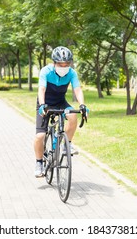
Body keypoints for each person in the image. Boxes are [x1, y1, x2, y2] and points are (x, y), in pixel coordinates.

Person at [34, 46, 88, 178]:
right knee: (40, 136)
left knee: (73, 115)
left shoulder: (72, 73)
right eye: (60, 64)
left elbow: (77, 89)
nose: (63, 66)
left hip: (60, 102)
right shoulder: (46, 71)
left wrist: (82, 105)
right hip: (45, 103)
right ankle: (39, 162)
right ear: (54, 63)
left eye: (66, 64)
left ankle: (66, 145)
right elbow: (41, 89)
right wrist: (42, 105)